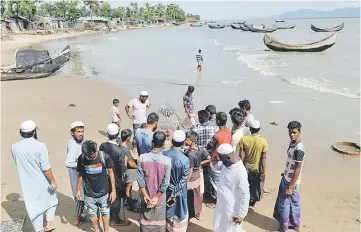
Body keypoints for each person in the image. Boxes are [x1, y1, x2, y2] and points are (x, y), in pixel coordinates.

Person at [12, 120, 58, 232]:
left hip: (26, 181)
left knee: (34, 206)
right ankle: (49, 224)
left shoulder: (15, 147)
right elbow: (46, 168)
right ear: (34, 132)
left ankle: (39, 229)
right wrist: (52, 181)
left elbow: (17, 162)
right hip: (42, 179)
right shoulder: (41, 146)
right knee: (52, 200)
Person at [99, 124, 137, 225]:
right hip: (116, 177)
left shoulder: (102, 145)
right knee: (116, 198)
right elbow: (122, 169)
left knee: (106, 196)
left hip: (104, 175)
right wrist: (125, 163)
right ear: (117, 135)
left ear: (108, 134)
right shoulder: (119, 150)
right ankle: (115, 219)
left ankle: (106, 215)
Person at [76, 140, 117, 232]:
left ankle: (106, 230)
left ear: (96, 151)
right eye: (87, 156)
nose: (89, 157)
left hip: (104, 192)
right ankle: (97, 229)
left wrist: (113, 191)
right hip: (89, 194)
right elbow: (80, 175)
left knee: (105, 213)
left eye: (91, 155)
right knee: (92, 214)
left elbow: (111, 173)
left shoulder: (104, 157)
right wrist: (78, 189)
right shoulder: (82, 158)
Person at [273, 121, 306, 232]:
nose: (292, 135)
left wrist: (290, 186)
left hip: (291, 181)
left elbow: (298, 169)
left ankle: (283, 227)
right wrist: (286, 172)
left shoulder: (299, 150)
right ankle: (295, 224)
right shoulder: (293, 144)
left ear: (299, 133)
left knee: (284, 205)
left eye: (294, 132)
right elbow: (292, 164)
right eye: (290, 132)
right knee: (293, 203)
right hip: (287, 177)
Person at [137, 131, 172, 232]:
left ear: (152, 141)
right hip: (160, 199)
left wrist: (146, 196)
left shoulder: (142, 158)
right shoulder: (167, 161)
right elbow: (166, 182)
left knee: (145, 223)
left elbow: (140, 180)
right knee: (159, 224)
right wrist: (157, 197)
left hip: (146, 197)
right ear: (163, 143)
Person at [211, 143, 250, 232]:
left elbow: (245, 194)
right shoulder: (227, 163)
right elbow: (218, 167)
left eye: (222, 158)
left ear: (228, 157)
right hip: (221, 203)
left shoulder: (240, 171)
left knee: (230, 228)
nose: (221, 160)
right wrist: (214, 162)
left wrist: (241, 214)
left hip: (231, 208)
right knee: (219, 225)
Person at [164, 130, 190, 232]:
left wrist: (171, 190)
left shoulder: (164, 154)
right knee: (179, 213)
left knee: (168, 212)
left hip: (166, 189)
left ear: (172, 141)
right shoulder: (185, 160)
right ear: (183, 143)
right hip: (179, 192)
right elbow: (183, 179)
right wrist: (175, 192)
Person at [239, 120, 268, 207]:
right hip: (257, 169)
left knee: (245, 186)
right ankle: (253, 203)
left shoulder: (244, 139)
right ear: (259, 129)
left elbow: (241, 155)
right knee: (255, 187)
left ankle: (245, 203)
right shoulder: (263, 141)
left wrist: (240, 167)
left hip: (246, 168)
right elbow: (264, 158)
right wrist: (264, 172)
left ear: (250, 129)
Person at [206, 112, 232, 208]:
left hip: (216, 160)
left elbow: (209, 146)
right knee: (223, 180)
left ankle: (218, 201)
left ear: (217, 121)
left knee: (215, 181)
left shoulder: (217, 135)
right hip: (226, 160)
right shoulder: (229, 132)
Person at [65, 121, 85, 226]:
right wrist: (81, 164)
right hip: (76, 175)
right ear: (72, 133)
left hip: (81, 173)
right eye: (78, 132)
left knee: (81, 195)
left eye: (82, 131)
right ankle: (78, 217)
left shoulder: (77, 141)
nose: (81, 134)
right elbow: (68, 163)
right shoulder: (73, 145)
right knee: (79, 195)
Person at [184, 130, 207, 220]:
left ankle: (189, 217)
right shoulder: (201, 148)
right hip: (199, 175)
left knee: (190, 198)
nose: (185, 141)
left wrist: (186, 182)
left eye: (186, 140)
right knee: (198, 195)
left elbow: (190, 170)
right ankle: (198, 213)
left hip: (192, 177)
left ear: (191, 141)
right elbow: (210, 159)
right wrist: (201, 163)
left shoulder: (190, 154)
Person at [119, 129, 139, 212]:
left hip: (125, 170)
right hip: (129, 171)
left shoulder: (119, 146)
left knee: (128, 188)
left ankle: (128, 200)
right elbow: (130, 164)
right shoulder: (126, 150)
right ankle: (131, 205)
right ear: (128, 138)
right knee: (128, 188)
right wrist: (138, 166)